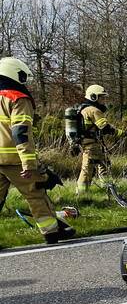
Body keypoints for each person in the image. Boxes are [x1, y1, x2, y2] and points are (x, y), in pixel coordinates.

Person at [0, 57, 75, 244]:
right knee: (36, 193)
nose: (24, 81)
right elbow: (20, 131)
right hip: (15, 160)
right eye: (23, 76)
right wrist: (29, 162)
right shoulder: (17, 98)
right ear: (13, 73)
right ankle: (51, 231)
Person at [76, 84, 127, 195]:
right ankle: (81, 195)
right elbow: (106, 128)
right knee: (87, 170)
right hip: (91, 145)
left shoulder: (84, 108)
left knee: (104, 165)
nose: (103, 100)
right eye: (101, 97)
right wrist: (124, 133)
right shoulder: (93, 110)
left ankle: (108, 189)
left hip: (93, 144)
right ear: (93, 97)